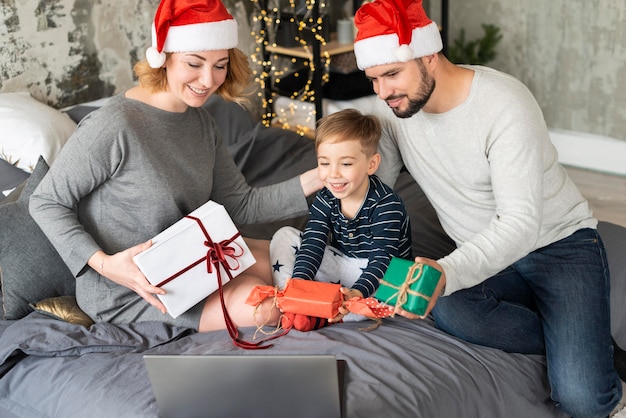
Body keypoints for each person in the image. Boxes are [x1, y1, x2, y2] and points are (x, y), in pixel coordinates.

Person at [352, 0, 622, 416]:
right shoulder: (394, 112)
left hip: (558, 245)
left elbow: (520, 224)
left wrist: (449, 270)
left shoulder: (503, 103)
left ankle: (590, 346)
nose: (383, 91)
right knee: (446, 305)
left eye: (391, 74)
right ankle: (573, 336)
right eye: (373, 79)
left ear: (429, 55)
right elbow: (375, 195)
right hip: (486, 255)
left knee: (582, 399)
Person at [29, 0, 321, 334]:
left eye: (220, 65)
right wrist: (106, 264)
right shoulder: (113, 126)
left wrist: (321, 175)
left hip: (193, 261)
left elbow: (240, 203)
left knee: (306, 258)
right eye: (194, 63)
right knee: (267, 308)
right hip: (132, 290)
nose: (208, 80)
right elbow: (46, 201)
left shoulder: (202, 122)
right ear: (163, 58)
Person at [269, 109, 412, 322]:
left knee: (392, 291)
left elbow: (382, 260)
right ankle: (295, 302)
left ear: (371, 164)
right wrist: (300, 285)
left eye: (345, 164)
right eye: (325, 163)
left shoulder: (386, 205)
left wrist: (357, 293)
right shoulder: (326, 198)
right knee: (285, 235)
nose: (334, 174)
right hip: (343, 263)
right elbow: (313, 244)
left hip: (382, 275)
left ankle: (331, 312)